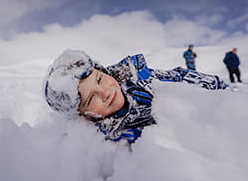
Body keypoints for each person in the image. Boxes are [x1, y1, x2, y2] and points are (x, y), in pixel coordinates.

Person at [44, 50, 228, 144]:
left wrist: (225, 91)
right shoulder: (107, 139)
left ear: (104, 71)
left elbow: (182, 77)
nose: (105, 93)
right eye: (91, 99)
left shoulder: (141, 78)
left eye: (100, 79)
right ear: (84, 115)